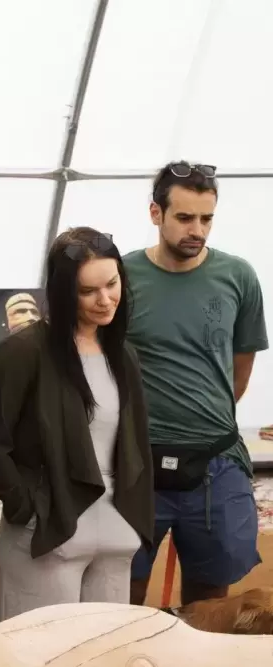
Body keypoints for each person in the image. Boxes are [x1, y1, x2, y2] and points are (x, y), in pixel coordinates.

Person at [0, 227, 154, 622]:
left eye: (111, 284)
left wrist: (135, 516)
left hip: (115, 533)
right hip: (47, 535)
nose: (105, 299)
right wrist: (29, 509)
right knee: (39, 653)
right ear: (60, 292)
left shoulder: (123, 355)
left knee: (104, 653)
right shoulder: (23, 352)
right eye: (88, 291)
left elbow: (136, 443)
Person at [125, 161, 268, 607]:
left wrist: (203, 418)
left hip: (216, 463)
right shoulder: (121, 276)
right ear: (156, 214)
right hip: (135, 464)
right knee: (118, 593)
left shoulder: (238, 276)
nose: (198, 230)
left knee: (210, 602)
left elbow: (239, 370)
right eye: (185, 218)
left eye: (206, 219)